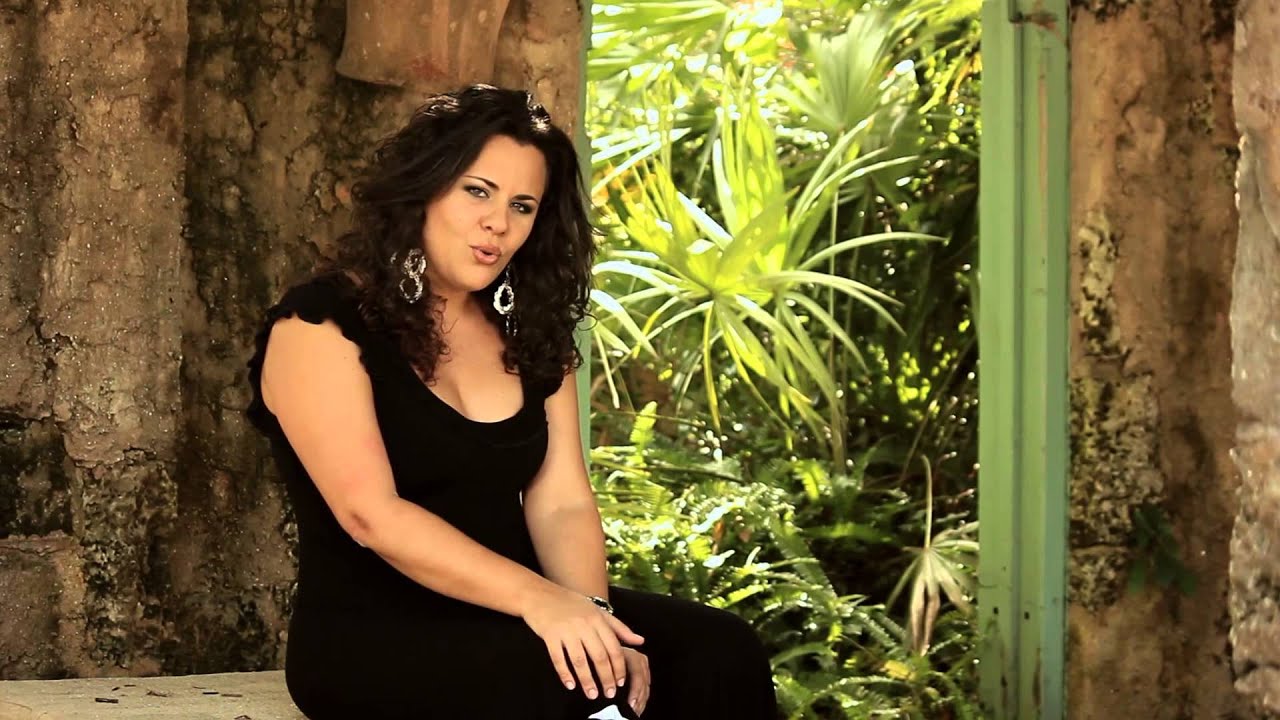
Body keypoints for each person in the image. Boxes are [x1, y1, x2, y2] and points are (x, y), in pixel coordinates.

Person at [244, 85, 778, 719]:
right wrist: (541, 602)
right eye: (478, 191)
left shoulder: (530, 332)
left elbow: (562, 502)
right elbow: (372, 516)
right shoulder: (319, 325)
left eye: (522, 205)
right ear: (424, 190)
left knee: (720, 652)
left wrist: (594, 615)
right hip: (373, 635)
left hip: (517, 611)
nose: (498, 223)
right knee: (583, 688)